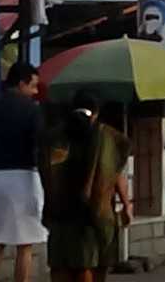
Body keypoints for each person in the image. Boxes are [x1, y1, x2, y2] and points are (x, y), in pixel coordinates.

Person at [39, 90, 132, 282]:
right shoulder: (106, 136)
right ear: (96, 112)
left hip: (59, 213)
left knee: (60, 264)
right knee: (89, 264)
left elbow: (45, 171)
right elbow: (113, 173)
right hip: (92, 213)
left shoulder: (53, 136)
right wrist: (126, 205)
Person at [0, 62, 48, 282]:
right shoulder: (31, 111)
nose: (35, 91)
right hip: (24, 179)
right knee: (25, 245)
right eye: (33, 86)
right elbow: (39, 149)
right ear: (22, 83)